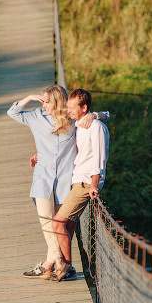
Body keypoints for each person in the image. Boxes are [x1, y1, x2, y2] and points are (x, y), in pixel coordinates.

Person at [7, 86, 107, 281]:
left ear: (57, 102)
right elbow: (13, 112)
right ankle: (60, 261)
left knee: (60, 225)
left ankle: (48, 265)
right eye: (42, 101)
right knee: (47, 221)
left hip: (65, 179)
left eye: (46, 101)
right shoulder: (36, 116)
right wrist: (29, 97)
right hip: (42, 177)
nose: (43, 104)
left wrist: (94, 115)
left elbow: (105, 115)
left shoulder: (73, 120)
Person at [49, 88, 109, 282]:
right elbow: (107, 114)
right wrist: (95, 114)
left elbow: (99, 159)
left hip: (86, 183)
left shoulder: (96, 127)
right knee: (68, 224)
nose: (68, 111)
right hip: (76, 180)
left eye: (72, 107)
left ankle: (66, 267)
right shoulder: (79, 122)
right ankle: (67, 267)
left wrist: (94, 185)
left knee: (57, 223)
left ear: (84, 108)